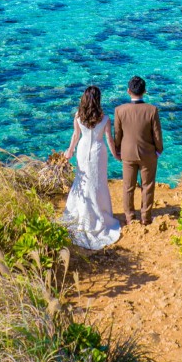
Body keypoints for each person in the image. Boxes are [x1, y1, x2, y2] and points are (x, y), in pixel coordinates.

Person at [58, 85, 121, 250]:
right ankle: (99, 214)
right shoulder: (105, 118)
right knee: (97, 183)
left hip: (83, 149)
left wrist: (70, 150)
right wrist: (116, 155)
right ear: (98, 100)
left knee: (82, 181)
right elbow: (109, 139)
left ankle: (81, 214)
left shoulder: (79, 115)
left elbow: (75, 135)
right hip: (98, 153)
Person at [112, 75, 162, 226]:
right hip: (148, 154)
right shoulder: (152, 110)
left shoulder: (119, 110)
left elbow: (118, 134)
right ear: (145, 91)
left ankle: (129, 217)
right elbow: (157, 134)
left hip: (127, 153)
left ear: (128, 91)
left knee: (128, 187)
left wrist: (118, 151)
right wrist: (158, 151)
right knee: (147, 186)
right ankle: (145, 218)